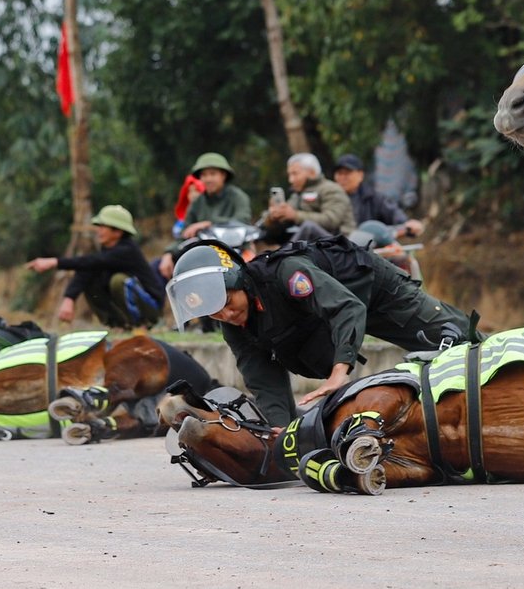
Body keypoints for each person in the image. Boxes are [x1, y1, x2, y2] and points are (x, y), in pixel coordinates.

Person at [165, 232, 474, 425]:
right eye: (215, 311)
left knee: (457, 341)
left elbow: (346, 307)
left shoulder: (286, 274)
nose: (227, 313)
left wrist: (340, 372)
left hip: (377, 291)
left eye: (229, 301)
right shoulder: (235, 324)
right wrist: (278, 431)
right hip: (321, 318)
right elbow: (262, 378)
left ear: (241, 282)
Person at [27, 205, 167, 330]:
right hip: (134, 307)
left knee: (118, 281)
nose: (98, 231)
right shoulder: (106, 252)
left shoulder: (127, 251)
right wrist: (69, 298)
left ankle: (142, 324)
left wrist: (54, 262)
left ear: (117, 232)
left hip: (151, 308)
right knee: (91, 283)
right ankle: (117, 325)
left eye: (102, 227)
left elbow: (92, 261)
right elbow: (87, 268)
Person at [257, 152, 355, 245]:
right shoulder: (298, 194)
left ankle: (283, 258)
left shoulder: (331, 189)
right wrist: (273, 216)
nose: (291, 180)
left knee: (309, 228)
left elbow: (331, 220)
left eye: (295, 174)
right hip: (314, 246)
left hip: (340, 245)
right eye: (289, 174)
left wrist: (295, 215)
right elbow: (286, 215)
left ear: (312, 172)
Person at [332, 153, 422, 239]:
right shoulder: (329, 197)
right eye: (339, 173)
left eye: (347, 173)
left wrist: (408, 224)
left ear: (360, 175)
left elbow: (394, 213)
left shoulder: (373, 198)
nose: (343, 177)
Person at [178, 152, 253, 238]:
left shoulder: (238, 197)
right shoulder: (197, 202)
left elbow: (242, 221)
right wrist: (171, 251)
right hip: (203, 248)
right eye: (204, 175)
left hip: (234, 247)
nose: (208, 179)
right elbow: (184, 233)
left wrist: (208, 224)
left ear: (223, 175)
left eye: (213, 174)